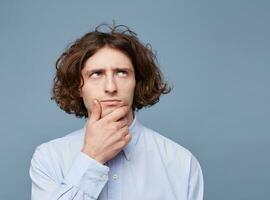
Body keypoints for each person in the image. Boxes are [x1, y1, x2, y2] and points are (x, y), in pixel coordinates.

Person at [29, 23, 204, 200]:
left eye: (121, 73)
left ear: (137, 82)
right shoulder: (49, 158)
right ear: (78, 87)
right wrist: (92, 157)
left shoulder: (182, 163)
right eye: (97, 74)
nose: (111, 87)